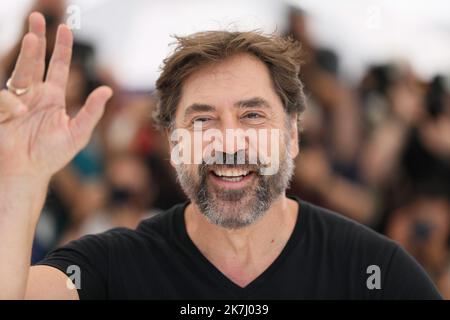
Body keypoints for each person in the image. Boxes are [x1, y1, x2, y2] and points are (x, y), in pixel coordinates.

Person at [0, 12, 442, 299]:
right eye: (203, 120)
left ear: (292, 136)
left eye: (252, 115)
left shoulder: (371, 272)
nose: (230, 141)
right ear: (174, 145)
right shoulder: (112, 269)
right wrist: (18, 184)